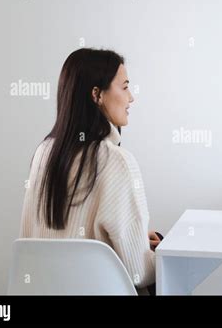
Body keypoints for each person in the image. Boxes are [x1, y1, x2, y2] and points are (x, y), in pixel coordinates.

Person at [20, 48, 161, 295]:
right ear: (97, 94)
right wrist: (161, 252)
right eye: (125, 87)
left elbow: (35, 238)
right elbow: (140, 273)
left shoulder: (43, 153)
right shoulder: (116, 161)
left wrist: (133, 239)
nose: (131, 98)